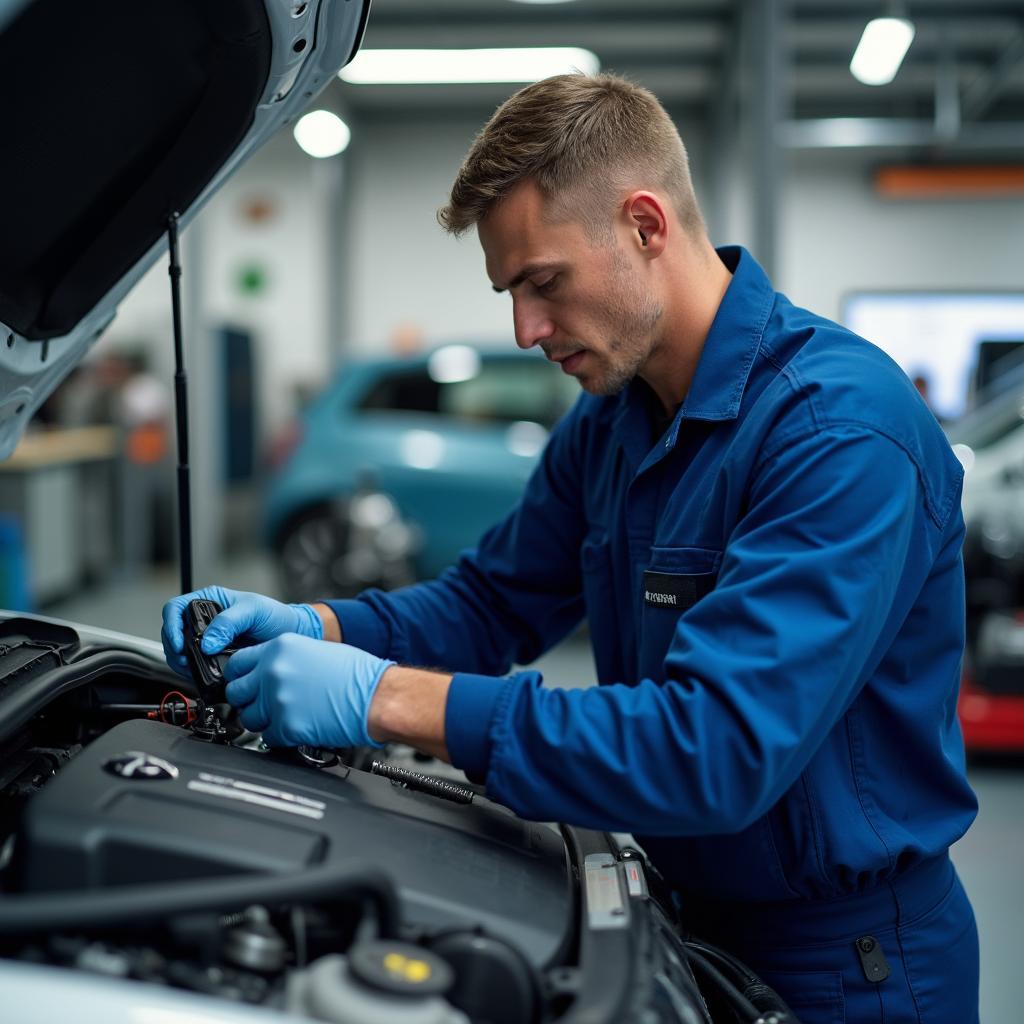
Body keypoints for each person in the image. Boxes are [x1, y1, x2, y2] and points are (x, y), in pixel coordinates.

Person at [163, 74, 978, 1023]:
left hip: (852, 964)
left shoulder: (838, 434)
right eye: (511, 292)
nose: (526, 329)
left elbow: (712, 750)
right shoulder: (612, 423)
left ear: (644, 224)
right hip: (685, 913)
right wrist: (322, 622)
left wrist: (381, 697)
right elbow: (490, 604)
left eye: (544, 283)